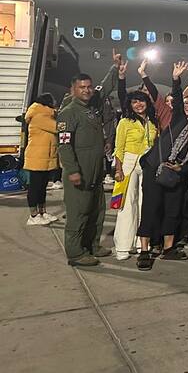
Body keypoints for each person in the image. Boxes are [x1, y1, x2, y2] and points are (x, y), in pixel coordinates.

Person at [136, 61, 188, 271]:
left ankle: (168, 248)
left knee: (172, 212)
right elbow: (178, 97)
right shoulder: (180, 120)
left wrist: (180, 169)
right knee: (150, 209)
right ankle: (144, 251)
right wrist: (176, 78)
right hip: (155, 170)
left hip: (176, 177)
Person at [58, 70, 118, 266]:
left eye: (89, 86)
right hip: (80, 172)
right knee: (78, 213)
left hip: (95, 171)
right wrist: (72, 170)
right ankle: (75, 254)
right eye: (82, 87)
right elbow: (64, 145)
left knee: (97, 211)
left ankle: (92, 246)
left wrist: (115, 69)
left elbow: (104, 89)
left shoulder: (90, 108)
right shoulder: (68, 113)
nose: (87, 90)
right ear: (73, 89)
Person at [111, 90, 158, 261]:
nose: (138, 105)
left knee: (144, 204)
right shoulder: (125, 122)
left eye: (142, 101)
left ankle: (142, 242)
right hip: (129, 163)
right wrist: (118, 169)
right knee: (127, 204)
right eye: (134, 102)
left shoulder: (153, 121)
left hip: (148, 164)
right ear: (130, 105)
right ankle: (123, 245)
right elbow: (118, 148)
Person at [23, 93, 59, 226]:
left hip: (44, 158)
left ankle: (42, 213)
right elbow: (57, 127)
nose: (55, 102)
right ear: (47, 102)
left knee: (42, 187)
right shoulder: (40, 115)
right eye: (53, 100)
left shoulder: (46, 115)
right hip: (37, 157)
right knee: (35, 187)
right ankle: (33, 215)